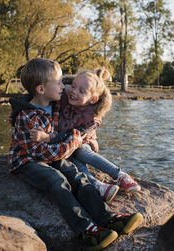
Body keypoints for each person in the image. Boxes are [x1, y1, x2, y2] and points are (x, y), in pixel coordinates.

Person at [7, 58, 143, 250]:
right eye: (60, 82)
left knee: (78, 176)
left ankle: (107, 218)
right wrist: (73, 142)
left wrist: (92, 128)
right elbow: (43, 153)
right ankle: (86, 229)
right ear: (41, 89)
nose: (65, 87)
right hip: (27, 161)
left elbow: (86, 102)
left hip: (51, 155)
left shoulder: (54, 103)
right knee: (56, 180)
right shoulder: (27, 116)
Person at [31, 67, 141, 202]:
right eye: (73, 86)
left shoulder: (92, 118)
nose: (73, 91)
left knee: (79, 151)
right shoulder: (63, 93)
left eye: (81, 91)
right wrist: (18, 109)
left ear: (93, 99)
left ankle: (120, 175)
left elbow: (73, 138)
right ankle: (99, 186)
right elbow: (37, 93)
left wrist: (48, 137)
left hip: (81, 142)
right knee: (71, 160)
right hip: (63, 143)